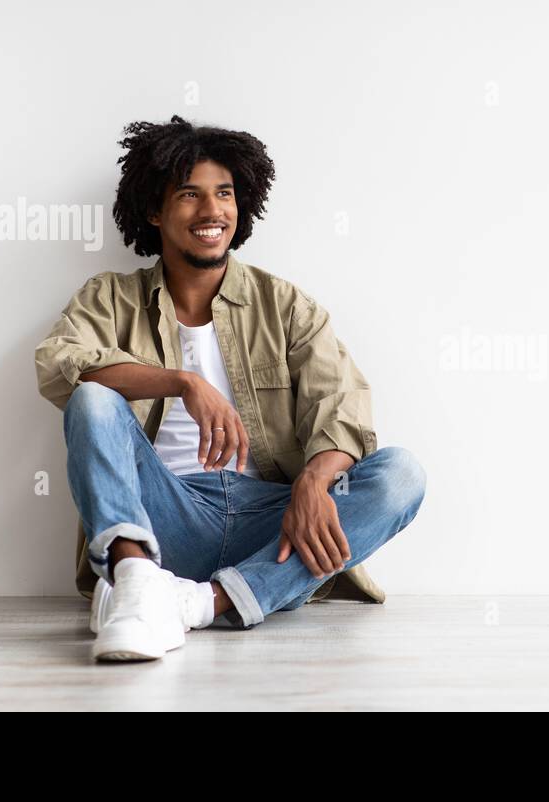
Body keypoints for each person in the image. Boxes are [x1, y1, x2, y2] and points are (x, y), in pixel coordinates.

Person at [34, 115, 425, 662]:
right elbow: (59, 363)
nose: (211, 210)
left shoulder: (286, 305)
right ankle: (136, 573)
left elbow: (342, 406)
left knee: (401, 473)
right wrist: (182, 382)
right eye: (190, 194)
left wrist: (314, 482)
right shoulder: (110, 297)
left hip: (272, 522)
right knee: (91, 396)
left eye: (224, 193)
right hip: (163, 513)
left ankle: (198, 603)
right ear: (155, 210)